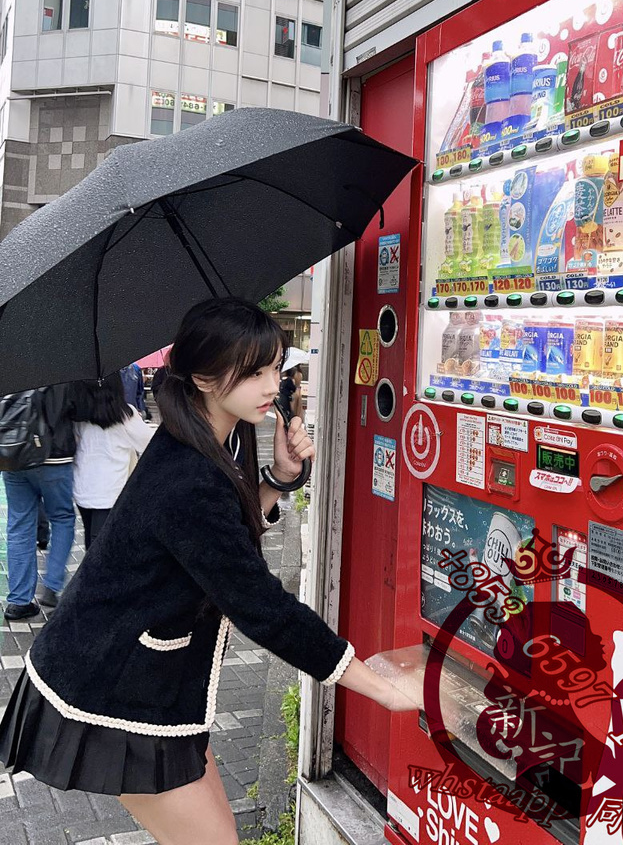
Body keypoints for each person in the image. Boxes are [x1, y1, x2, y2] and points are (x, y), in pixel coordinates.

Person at [0, 298, 419, 845]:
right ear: (202, 377)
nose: (272, 384)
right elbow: (260, 606)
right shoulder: (188, 474)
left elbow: (220, 545)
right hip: (110, 691)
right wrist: (377, 687)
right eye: (254, 371)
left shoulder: (209, 442)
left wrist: (277, 477)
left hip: (152, 688)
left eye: (274, 367)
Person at [2, 385, 78, 619]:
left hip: (13, 456)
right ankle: (52, 585)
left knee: (19, 525)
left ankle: (19, 600)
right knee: (62, 518)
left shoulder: (9, 363)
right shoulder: (61, 368)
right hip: (54, 456)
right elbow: (71, 409)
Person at [72, 374, 156, 549]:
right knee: (100, 550)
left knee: (92, 542)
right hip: (110, 493)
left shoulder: (79, 416)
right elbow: (150, 444)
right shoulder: (125, 416)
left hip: (83, 489)